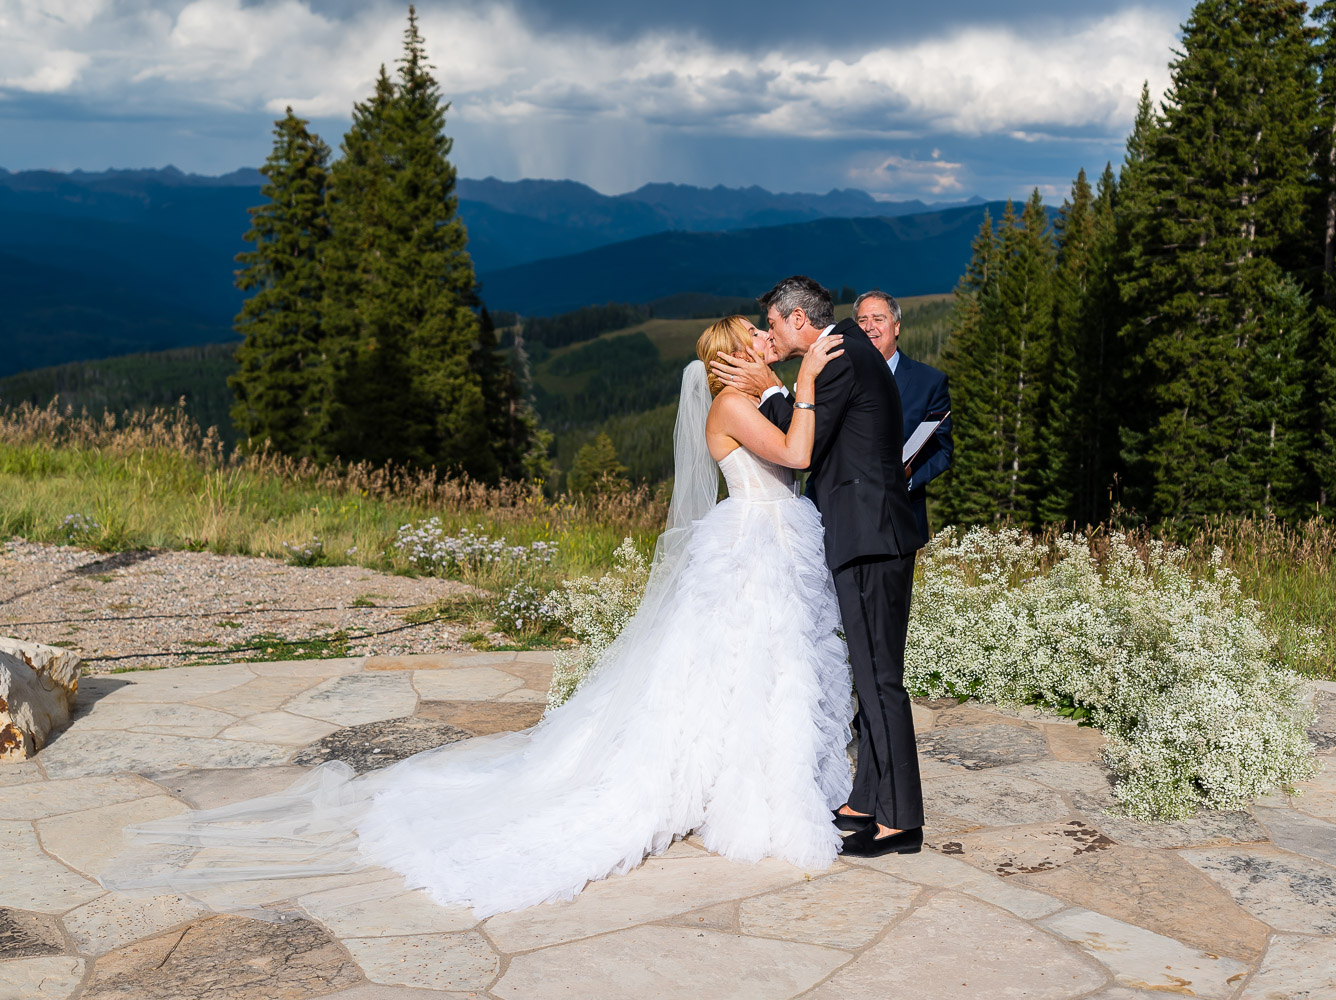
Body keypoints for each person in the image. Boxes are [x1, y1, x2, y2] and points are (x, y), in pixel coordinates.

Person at [103, 317, 854, 918]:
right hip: (754, 544)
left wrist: (787, 386)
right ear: (728, 358)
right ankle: (727, 788)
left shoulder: (748, 396)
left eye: (771, 336)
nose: (768, 339)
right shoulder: (733, 405)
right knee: (740, 660)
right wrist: (811, 379)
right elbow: (793, 452)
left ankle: (740, 776)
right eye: (755, 336)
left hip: (766, 543)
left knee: (758, 666)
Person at [711, 275, 926, 859]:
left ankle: (901, 820)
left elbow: (800, 444)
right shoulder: (850, 347)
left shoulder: (833, 359)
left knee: (880, 679)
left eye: (775, 325)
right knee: (871, 673)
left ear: (799, 319)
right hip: (874, 532)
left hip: (867, 537)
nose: (772, 336)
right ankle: (864, 799)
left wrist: (772, 386)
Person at [854, 289, 952, 540]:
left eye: (878, 319)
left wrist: (907, 478)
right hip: (847, 521)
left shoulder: (929, 381)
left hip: (900, 520)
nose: (869, 327)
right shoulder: (838, 376)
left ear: (896, 326)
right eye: (862, 320)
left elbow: (942, 450)